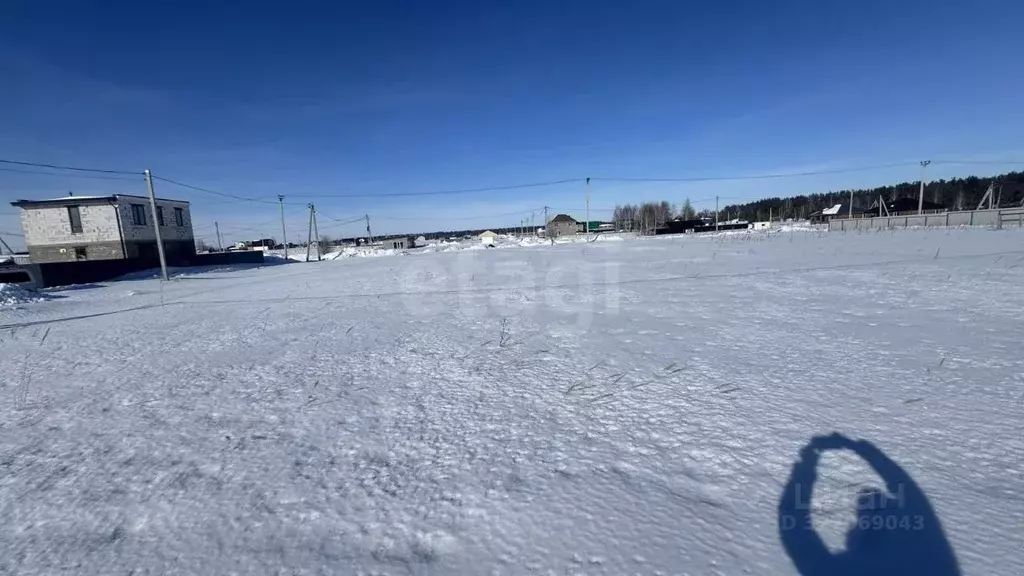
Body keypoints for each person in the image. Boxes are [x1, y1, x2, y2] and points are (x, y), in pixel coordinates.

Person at [778, 433, 959, 575]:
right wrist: (862, 450)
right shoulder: (930, 558)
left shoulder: (832, 571)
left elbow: (794, 527)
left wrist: (808, 460)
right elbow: (913, 497)